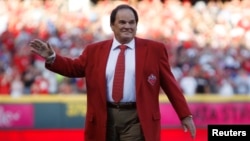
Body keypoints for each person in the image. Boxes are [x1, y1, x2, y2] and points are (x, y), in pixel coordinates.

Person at [29, 4, 196, 141]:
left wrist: (185, 115)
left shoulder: (154, 50)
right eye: (122, 22)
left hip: (138, 119)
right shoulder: (94, 51)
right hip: (104, 117)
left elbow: (170, 85)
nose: (127, 26)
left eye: (132, 22)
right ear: (112, 25)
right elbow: (74, 68)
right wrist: (51, 57)